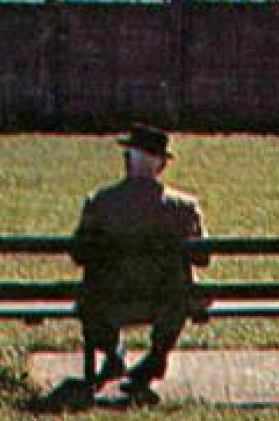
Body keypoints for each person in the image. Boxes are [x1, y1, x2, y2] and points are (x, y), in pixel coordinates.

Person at [69, 124, 208, 403]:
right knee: (183, 286)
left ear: (127, 160)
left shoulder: (100, 203)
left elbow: (79, 254)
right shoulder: (184, 208)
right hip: (166, 302)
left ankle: (112, 352)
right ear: (161, 167)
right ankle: (157, 356)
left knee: (91, 293)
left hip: (111, 300)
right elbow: (202, 257)